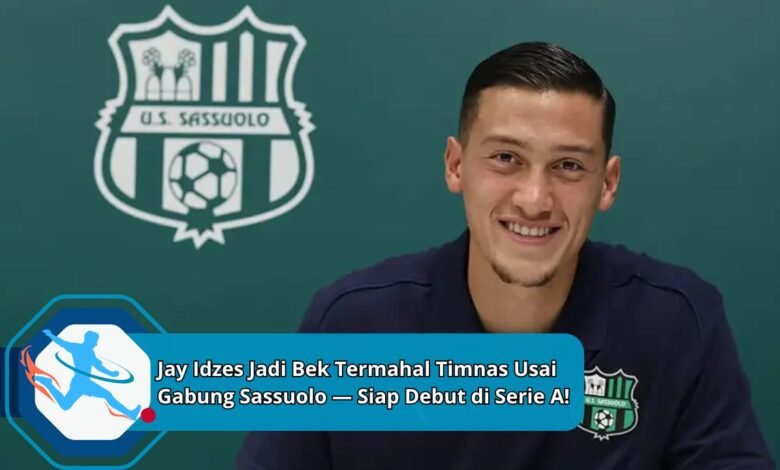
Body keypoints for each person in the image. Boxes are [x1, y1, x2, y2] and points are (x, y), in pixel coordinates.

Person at [236, 42, 773, 469]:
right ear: (456, 166)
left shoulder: (680, 323)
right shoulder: (352, 325)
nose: (534, 200)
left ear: (607, 184)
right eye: (506, 158)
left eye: (568, 166)